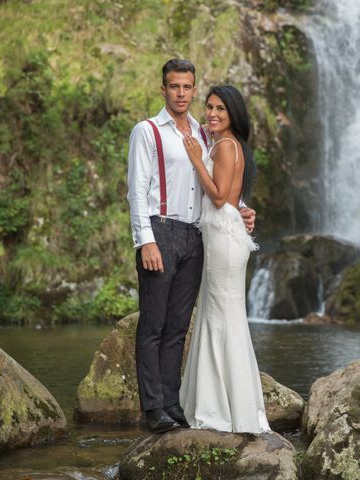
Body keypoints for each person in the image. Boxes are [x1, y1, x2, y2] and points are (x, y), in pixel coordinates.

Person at [126, 60, 255, 434]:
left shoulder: (204, 134)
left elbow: (217, 185)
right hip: (161, 230)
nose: (181, 93)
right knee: (153, 322)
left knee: (179, 326)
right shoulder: (147, 132)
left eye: (187, 87)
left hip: (198, 236)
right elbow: (136, 191)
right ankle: (152, 408)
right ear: (162, 90)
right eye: (174, 86)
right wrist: (145, 240)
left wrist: (242, 210)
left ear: (194, 90)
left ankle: (171, 403)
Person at [179, 85, 271, 434]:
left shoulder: (224, 147)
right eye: (210, 107)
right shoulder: (229, 145)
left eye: (221, 109)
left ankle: (221, 408)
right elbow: (233, 198)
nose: (213, 113)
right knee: (223, 315)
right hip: (226, 235)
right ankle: (235, 405)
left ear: (233, 113)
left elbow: (218, 197)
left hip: (222, 237)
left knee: (220, 316)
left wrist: (195, 160)